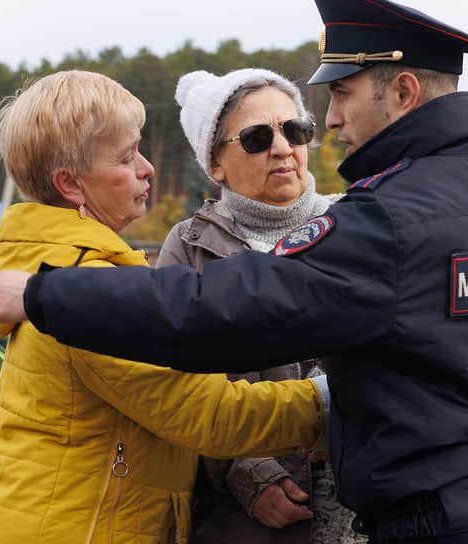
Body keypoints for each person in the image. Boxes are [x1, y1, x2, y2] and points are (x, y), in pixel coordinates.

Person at [0, 2, 468, 543]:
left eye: (339, 95)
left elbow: (218, 311)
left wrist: (45, 292)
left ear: (402, 91)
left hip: (431, 522)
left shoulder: (384, 223)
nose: (332, 118)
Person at [0, 70, 330, 544]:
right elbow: (207, 412)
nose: (147, 167)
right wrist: (334, 401)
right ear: (71, 185)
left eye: (296, 129)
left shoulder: (55, 267)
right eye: (125, 156)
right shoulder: (82, 286)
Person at [159, 68, 362, 543]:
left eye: (295, 130)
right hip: (248, 519)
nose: (282, 147)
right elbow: (176, 387)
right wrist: (247, 473)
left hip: (363, 500)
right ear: (215, 164)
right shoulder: (188, 247)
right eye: (255, 137)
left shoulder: (356, 223)